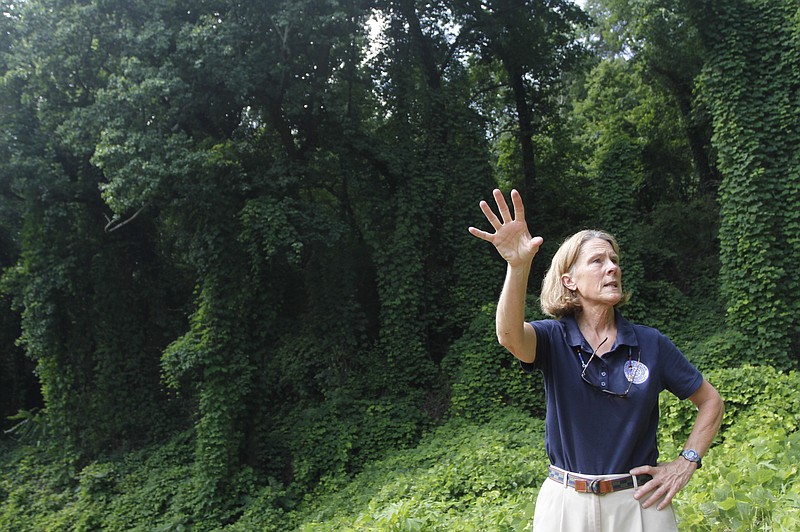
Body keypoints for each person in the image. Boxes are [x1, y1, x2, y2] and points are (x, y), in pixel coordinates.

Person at [468, 189, 724, 531]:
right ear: (569, 281)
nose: (612, 268)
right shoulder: (552, 339)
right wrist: (518, 266)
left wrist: (686, 461)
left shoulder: (651, 344)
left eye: (614, 260)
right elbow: (510, 337)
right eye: (598, 261)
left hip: (640, 505)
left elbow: (711, 401)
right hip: (565, 504)